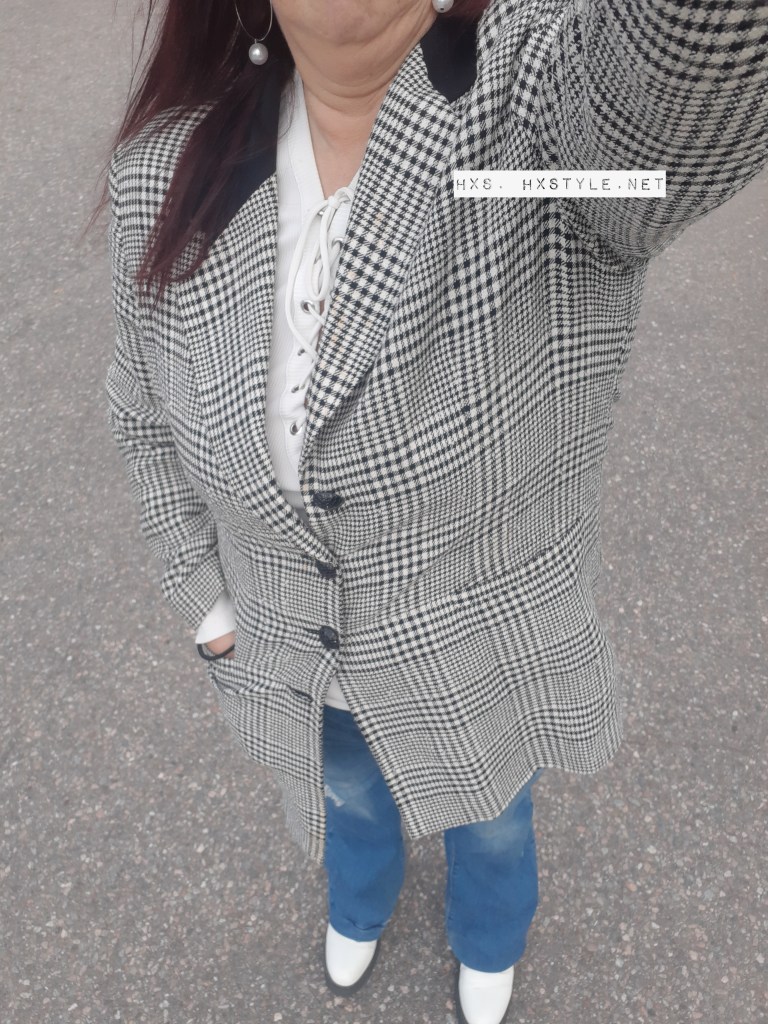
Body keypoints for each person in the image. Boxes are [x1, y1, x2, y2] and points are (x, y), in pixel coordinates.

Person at [102, 1, 767, 1021]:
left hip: (475, 665)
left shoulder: (528, 141)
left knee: (492, 822)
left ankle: (490, 935)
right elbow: (141, 409)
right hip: (291, 653)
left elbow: (678, 82)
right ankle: (359, 902)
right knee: (348, 800)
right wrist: (209, 606)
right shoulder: (169, 167)